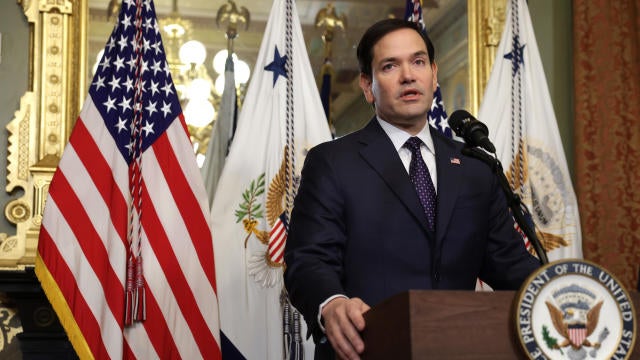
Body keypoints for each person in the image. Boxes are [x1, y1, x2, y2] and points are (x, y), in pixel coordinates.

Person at [283, 18, 540, 360]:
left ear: (433, 74)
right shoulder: (332, 163)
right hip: (366, 350)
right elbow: (308, 260)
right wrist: (332, 303)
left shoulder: (475, 167)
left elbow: (510, 267)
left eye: (418, 62)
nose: (408, 75)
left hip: (458, 350)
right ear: (367, 86)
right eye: (390, 66)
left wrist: (565, 296)